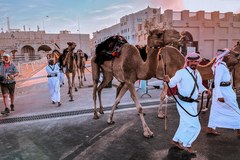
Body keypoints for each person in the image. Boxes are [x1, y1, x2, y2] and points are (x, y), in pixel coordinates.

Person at [163, 52, 211, 154]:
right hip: (183, 103)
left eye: (196, 61)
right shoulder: (181, 72)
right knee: (195, 126)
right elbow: (171, 84)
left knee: (185, 124)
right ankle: (187, 144)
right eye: (191, 61)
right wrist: (167, 80)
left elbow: (199, 86)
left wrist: (206, 90)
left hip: (193, 103)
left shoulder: (197, 73)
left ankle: (176, 140)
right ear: (187, 62)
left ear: (198, 62)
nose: (194, 63)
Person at [206, 48, 240, 137]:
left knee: (215, 111)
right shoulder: (220, 67)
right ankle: (239, 130)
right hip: (223, 92)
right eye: (227, 55)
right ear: (223, 56)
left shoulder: (222, 65)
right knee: (235, 110)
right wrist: (219, 96)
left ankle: (210, 128)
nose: (229, 57)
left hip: (226, 90)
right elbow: (217, 82)